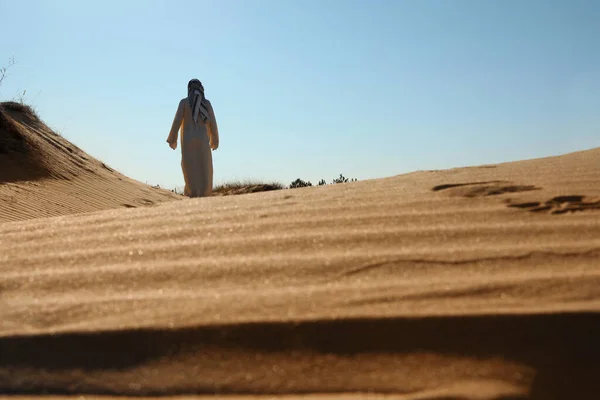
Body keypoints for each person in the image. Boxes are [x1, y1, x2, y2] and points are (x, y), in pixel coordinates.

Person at [167, 79, 219, 198]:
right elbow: (213, 123)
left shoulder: (184, 103)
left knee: (190, 167)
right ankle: (205, 193)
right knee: (204, 166)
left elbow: (177, 121)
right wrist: (214, 139)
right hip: (203, 140)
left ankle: (192, 192)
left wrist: (172, 138)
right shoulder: (206, 103)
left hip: (188, 140)